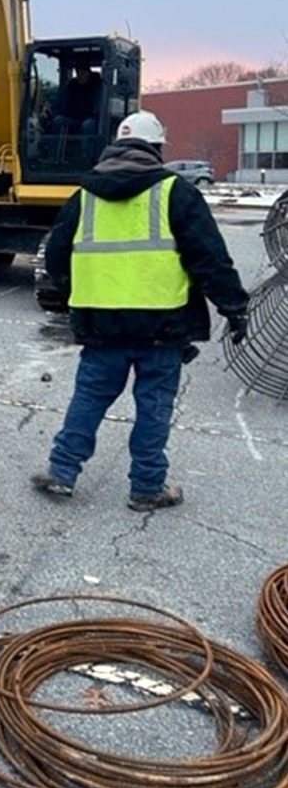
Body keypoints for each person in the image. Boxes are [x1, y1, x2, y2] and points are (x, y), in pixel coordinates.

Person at [32, 110, 249, 511]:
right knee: (154, 406)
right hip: (162, 325)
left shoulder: (84, 196)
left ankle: (62, 471)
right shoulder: (176, 193)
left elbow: (56, 257)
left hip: (101, 324)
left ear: (116, 145)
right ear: (157, 148)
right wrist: (234, 307)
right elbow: (209, 258)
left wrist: (74, 298)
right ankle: (147, 487)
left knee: (90, 398)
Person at [52, 62, 101, 140]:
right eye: (78, 73)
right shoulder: (72, 85)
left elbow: (98, 107)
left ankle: (87, 152)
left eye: (83, 72)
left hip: (91, 119)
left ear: (88, 73)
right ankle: (54, 150)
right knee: (58, 121)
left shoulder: (98, 87)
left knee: (88, 125)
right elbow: (62, 102)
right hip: (73, 119)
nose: (80, 75)